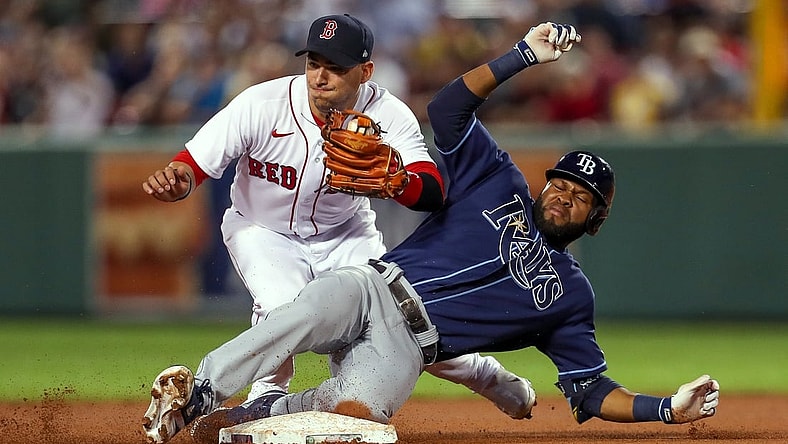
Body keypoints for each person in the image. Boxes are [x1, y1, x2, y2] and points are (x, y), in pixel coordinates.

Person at [142, 21, 720, 444]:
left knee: (355, 416)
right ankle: (198, 393)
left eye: (581, 198)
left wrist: (668, 408)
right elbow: (448, 111)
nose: (565, 195)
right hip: (372, 283)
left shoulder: (569, 296)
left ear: (595, 221)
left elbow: (591, 394)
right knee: (293, 311)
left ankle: (244, 424)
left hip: (410, 344)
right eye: (562, 183)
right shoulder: (500, 182)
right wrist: (520, 56)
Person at [140, 11, 533, 426]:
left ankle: (488, 377)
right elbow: (193, 164)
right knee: (282, 310)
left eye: (336, 68)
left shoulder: (388, 112)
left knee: (405, 324)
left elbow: (432, 189)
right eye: (314, 64)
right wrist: (177, 182)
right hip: (262, 229)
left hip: (347, 233)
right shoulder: (262, 103)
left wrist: (399, 181)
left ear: (365, 71)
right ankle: (265, 398)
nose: (320, 77)